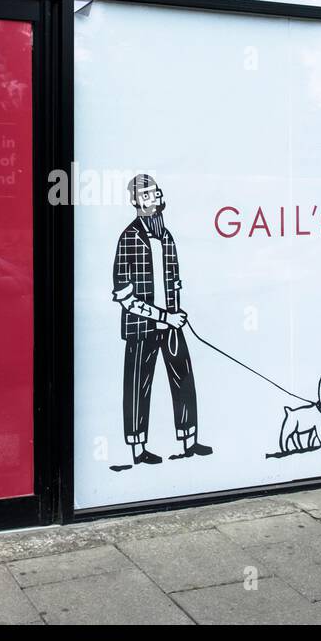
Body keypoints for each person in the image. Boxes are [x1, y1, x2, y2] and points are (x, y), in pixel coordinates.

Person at [111, 174, 212, 466]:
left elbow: (174, 281)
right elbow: (123, 294)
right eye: (145, 195)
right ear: (135, 201)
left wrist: (175, 313)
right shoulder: (128, 238)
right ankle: (137, 448)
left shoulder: (166, 236)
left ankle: (189, 441)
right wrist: (162, 315)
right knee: (137, 386)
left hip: (171, 324)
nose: (152, 199)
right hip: (142, 327)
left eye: (154, 193)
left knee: (183, 379)